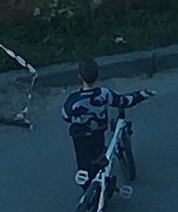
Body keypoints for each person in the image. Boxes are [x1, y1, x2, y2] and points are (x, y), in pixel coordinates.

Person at [61, 58, 154, 194]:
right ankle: (104, 184)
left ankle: (88, 191)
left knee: (84, 164)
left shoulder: (73, 100)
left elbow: (65, 116)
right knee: (99, 159)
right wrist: (141, 95)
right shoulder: (104, 94)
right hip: (98, 135)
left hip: (80, 139)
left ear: (79, 76)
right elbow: (123, 101)